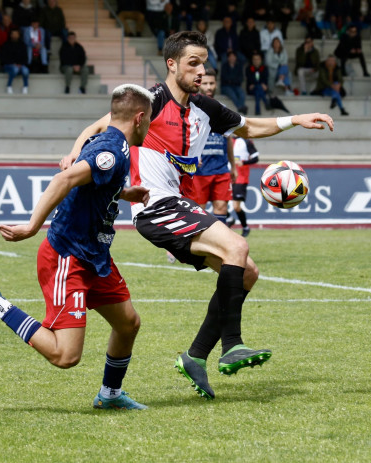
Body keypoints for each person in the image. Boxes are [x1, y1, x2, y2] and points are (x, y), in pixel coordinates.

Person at [60, 31, 334, 400]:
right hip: (154, 206)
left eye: (204, 62)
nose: (201, 70)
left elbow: (249, 127)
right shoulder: (152, 100)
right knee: (236, 245)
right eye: (193, 63)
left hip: (175, 202)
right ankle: (233, 345)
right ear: (171, 65)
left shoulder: (205, 107)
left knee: (247, 273)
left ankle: (195, 356)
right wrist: (75, 152)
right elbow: (100, 125)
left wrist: (296, 119)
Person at [0, 84, 153, 411]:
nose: (150, 128)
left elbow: (95, 136)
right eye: (150, 122)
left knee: (128, 323)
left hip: (94, 255)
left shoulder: (116, 139)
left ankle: (110, 394)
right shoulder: (112, 152)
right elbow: (64, 180)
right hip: (67, 257)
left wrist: (123, 191)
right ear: (140, 119)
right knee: (65, 355)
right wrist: (31, 227)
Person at [191, 67, 236, 225]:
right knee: (199, 210)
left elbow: (228, 139)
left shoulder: (222, 109)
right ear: (199, 84)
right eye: (206, 83)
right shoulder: (191, 109)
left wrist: (233, 166)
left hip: (221, 169)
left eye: (212, 83)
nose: (209, 87)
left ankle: (221, 247)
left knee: (222, 207)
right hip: (199, 170)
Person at [226, 135, 258, 237]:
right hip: (226, 176)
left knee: (236, 207)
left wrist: (243, 162)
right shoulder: (226, 139)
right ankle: (229, 219)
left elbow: (256, 158)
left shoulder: (246, 141)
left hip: (240, 178)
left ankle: (245, 227)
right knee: (217, 201)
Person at [1, 28, 30, 94]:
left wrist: (20, 64)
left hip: (20, 65)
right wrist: (13, 64)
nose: (14, 35)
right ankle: (9, 86)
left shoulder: (23, 45)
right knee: (15, 69)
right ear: (10, 35)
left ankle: (25, 86)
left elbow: (25, 58)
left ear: (19, 35)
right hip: (8, 65)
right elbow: (3, 58)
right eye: (13, 34)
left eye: (16, 34)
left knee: (26, 71)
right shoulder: (6, 45)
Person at [245, 51, 269, 116]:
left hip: (260, 88)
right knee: (258, 87)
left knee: (257, 91)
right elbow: (250, 79)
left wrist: (260, 84)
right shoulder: (248, 69)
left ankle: (257, 110)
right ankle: (266, 102)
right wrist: (260, 84)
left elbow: (265, 79)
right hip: (251, 89)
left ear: (261, 60)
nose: (256, 61)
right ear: (252, 60)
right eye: (254, 59)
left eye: (258, 59)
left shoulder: (264, 68)